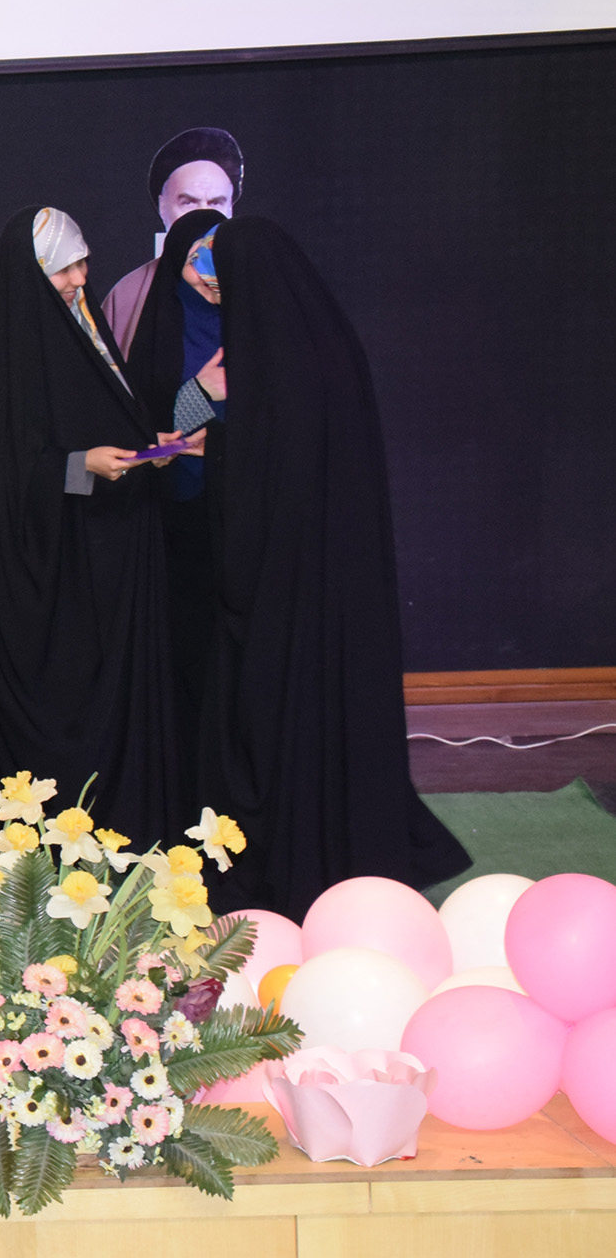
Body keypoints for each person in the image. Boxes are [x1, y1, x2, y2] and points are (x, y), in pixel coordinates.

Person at [195, 217, 468, 917]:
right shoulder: (328, 345)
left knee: (278, 717)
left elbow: (259, 490)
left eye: (224, 282)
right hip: (341, 585)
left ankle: (293, 853)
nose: (219, 295)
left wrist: (215, 447)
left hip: (285, 592)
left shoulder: (271, 367)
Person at [0, 207, 185, 845]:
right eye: (63, 269)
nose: (80, 279)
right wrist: (78, 465)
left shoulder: (82, 331)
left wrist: (145, 446)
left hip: (98, 567)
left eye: (83, 262)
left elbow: (105, 415)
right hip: (28, 584)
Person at [121, 211, 230, 740]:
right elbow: (146, 428)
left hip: (245, 509)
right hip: (180, 509)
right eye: (194, 260)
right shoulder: (160, 328)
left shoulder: (256, 319)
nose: (209, 274)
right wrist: (199, 394)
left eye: (219, 259)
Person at [103, 126, 243, 359]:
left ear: (231, 208)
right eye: (188, 202)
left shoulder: (257, 288)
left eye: (216, 203)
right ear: (162, 206)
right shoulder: (127, 295)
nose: (203, 215)